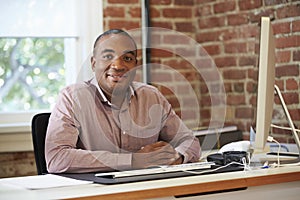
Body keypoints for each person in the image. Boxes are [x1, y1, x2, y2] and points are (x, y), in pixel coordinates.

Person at [45, 29, 201, 173]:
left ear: (135, 65)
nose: (118, 65)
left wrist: (176, 157)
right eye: (107, 56)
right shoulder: (72, 98)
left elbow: (189, 141)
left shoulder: (152, 96)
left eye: (127, 58)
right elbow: (56, 158)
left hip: (147, 188)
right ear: (93, 63)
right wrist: (133, 161)